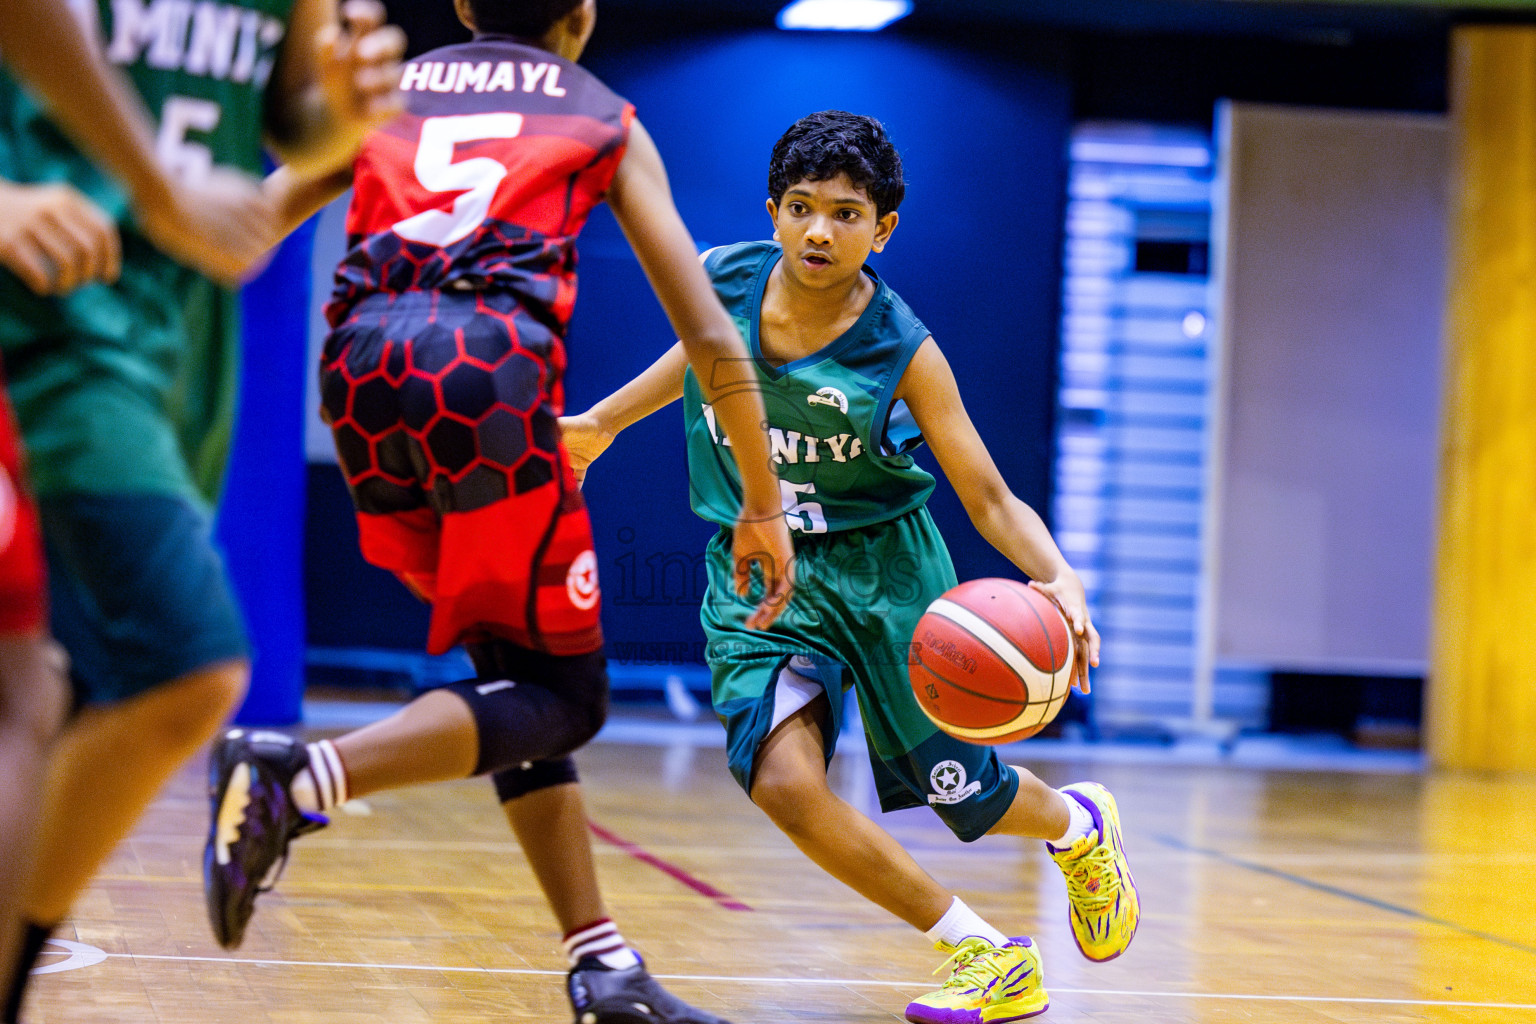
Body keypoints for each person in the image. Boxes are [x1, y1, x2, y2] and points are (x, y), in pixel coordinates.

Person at [205, 2, 794, 1023]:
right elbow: (707, 328)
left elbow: (248, 223)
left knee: (514, 677)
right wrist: (761, 498)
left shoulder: (389, 92)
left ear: (466, 7)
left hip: (357, 370)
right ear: (584, 16)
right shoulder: (603, 112)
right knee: (570, 698)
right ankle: (297, 775)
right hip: (483, 374)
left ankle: (603, 965)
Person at [561, 110, 1140, 1023]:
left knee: (967, 799)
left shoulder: (903, 348)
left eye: (843, 213)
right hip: (761, 569)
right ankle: (985, 954)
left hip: (887, 572)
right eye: (799, 208)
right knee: (785, 785)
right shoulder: (725, 279)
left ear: (883, 229)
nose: (818, 231)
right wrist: (597, 424)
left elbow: (986, 495)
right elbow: (699, 360)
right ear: (773, 210)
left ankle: (1078, 826)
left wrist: (1058, 574)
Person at [0, 2, 406, 1021]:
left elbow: (290, 116)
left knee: (60, 696)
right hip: (54, 319)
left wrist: (344, 119)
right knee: (187, 660)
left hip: (177, 342)